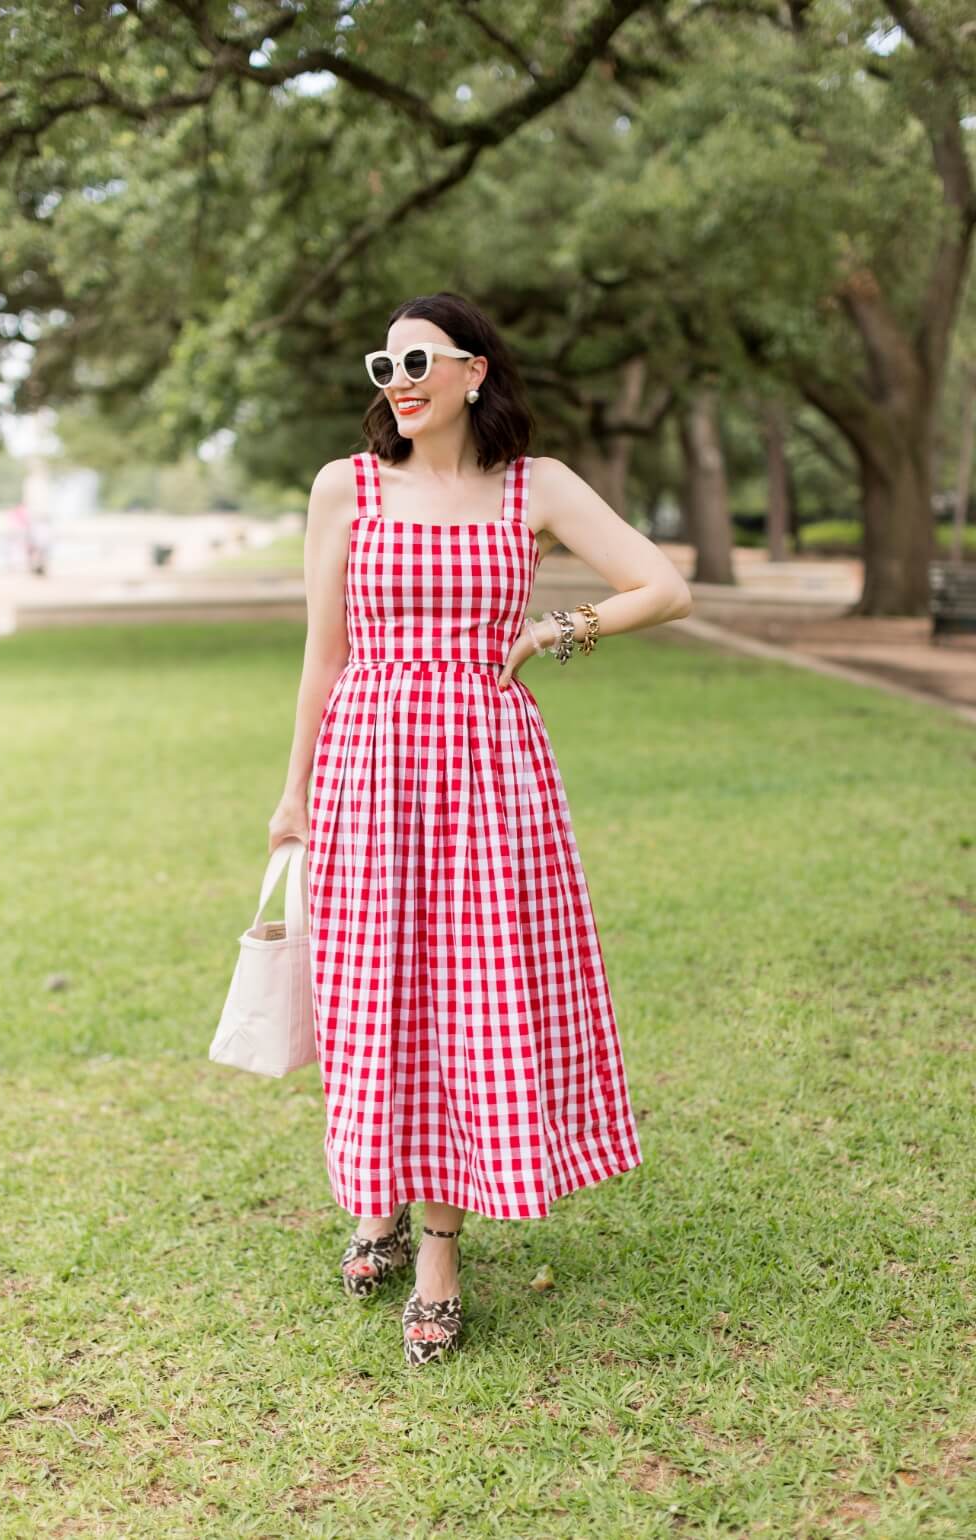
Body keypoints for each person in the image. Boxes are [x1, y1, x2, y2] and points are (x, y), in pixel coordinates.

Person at [268, 291, 692, 1367]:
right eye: (384, 365)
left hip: (488, 778)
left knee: (472, 995)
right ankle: (376, 1202)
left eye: (418, 360)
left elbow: (662, 584)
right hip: (369, 763)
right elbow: (323, 658)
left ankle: (440, 1255)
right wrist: (292, 796)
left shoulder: (533, 487)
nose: (397, 380)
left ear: (474, 371)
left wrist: (558, 627)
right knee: (374, 997)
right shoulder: (345, 488)